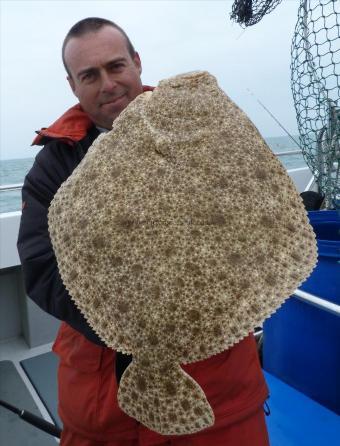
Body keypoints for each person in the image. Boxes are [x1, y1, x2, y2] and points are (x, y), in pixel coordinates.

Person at [17, 17, 270, 446]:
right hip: (99, 400)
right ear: (72, 85)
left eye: (116, 66)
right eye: (89, 75)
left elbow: (256, 212)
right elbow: (42, 267)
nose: (108, 84)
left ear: (136, 62)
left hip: (218, 381)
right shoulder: (53, 166)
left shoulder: (199, 129)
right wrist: (125, 325)